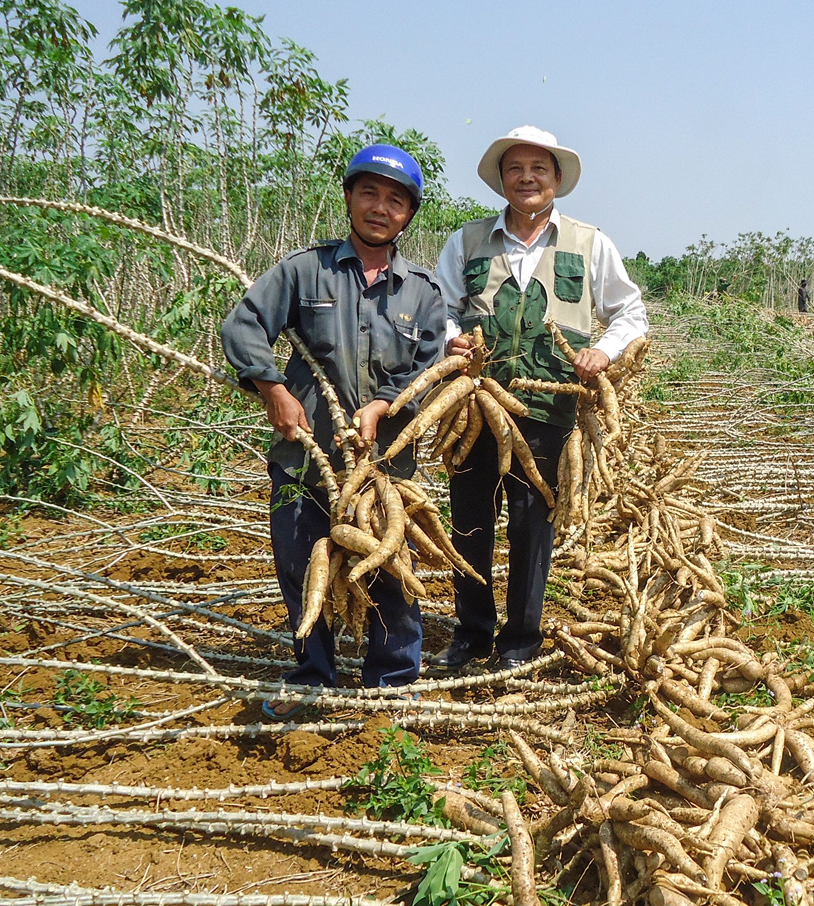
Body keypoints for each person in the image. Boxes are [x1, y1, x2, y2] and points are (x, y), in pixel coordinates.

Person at [221, 144, 445, 716]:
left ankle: (393, 681)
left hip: (382, 468)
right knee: (301, 567)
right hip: (305, 457)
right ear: (348, 197)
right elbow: (244, 325)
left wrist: (383, 404)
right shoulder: (304, 270)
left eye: (395, 200)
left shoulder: (422, 292)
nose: (380, 207)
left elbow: (427, 367)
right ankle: (312, 676)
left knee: (390, 567)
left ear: (408, 214)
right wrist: (272, 388)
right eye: (368, 193)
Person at [430, 126, 650, 673]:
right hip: (474, 403)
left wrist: (602, 351)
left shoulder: (589, 242)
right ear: (502, 180)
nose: (526, 178)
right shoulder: (467, 240)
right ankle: (473, 631)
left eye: (538, 169)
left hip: (549, 409)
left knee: (534, 523)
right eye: (515, 169)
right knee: (470, 521)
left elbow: (631, 311)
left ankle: (520, 638)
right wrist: (450, 336)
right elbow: (437, 307)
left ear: (556, 180)